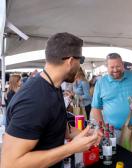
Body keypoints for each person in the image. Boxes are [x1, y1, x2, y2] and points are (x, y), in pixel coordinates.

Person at [1, 32, 102, 168]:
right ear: (71, 61)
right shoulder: (34, 99)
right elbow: (10, 163)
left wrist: (85, 134)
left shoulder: (54, 86)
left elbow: (58, 126)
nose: (80, 66)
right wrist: (71, 148)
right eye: (81, 60)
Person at [91, 53, 132, 135]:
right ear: (107, 67)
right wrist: (103, 128)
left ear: (122, 64)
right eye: (112, 67)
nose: (115, 70)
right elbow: (96, 108)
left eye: (118, 66)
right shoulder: (101, 83)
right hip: (112, 131)